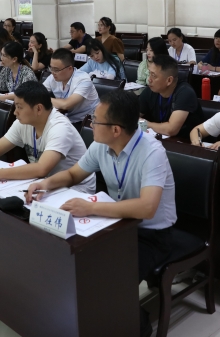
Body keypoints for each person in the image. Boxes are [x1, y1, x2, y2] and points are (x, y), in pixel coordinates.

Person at [23, 90, 176, 337]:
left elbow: (147, 208)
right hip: (117, 225)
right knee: (79, 262)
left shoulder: (152, 152)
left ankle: (139, 327)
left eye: (96, 120)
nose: (91, 124)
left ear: (115, 129)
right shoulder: (101, 145)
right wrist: (45, 183)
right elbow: (73, 174)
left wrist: (91, 208)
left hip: (152, 235)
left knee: (112, 277)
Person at [0, 82, 96, 192]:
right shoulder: (23, 122)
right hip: (43, 182)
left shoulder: (60, 128)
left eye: (19, 107)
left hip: (75, 188)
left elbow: (42, 168)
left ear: (38, 109)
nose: (15, 112)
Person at [139, 54, 203, 138]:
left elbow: (171, 130)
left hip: (185, 143)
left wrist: (146, 124)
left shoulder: (185, 93)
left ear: (169, 80)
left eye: (153, 76)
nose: (149, 79)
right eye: (149, 74)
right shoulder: (151, 90)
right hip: (159, 141)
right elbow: (132, 116)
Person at [42, 49, 99, 127]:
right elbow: (38, 92)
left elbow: (66, 104)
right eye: (51, 68)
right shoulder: (53, 77)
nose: (52, 72)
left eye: (56, 69)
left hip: (86, 121)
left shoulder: (83, 80)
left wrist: (43, 98)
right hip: (65, 117)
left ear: (69, 69)